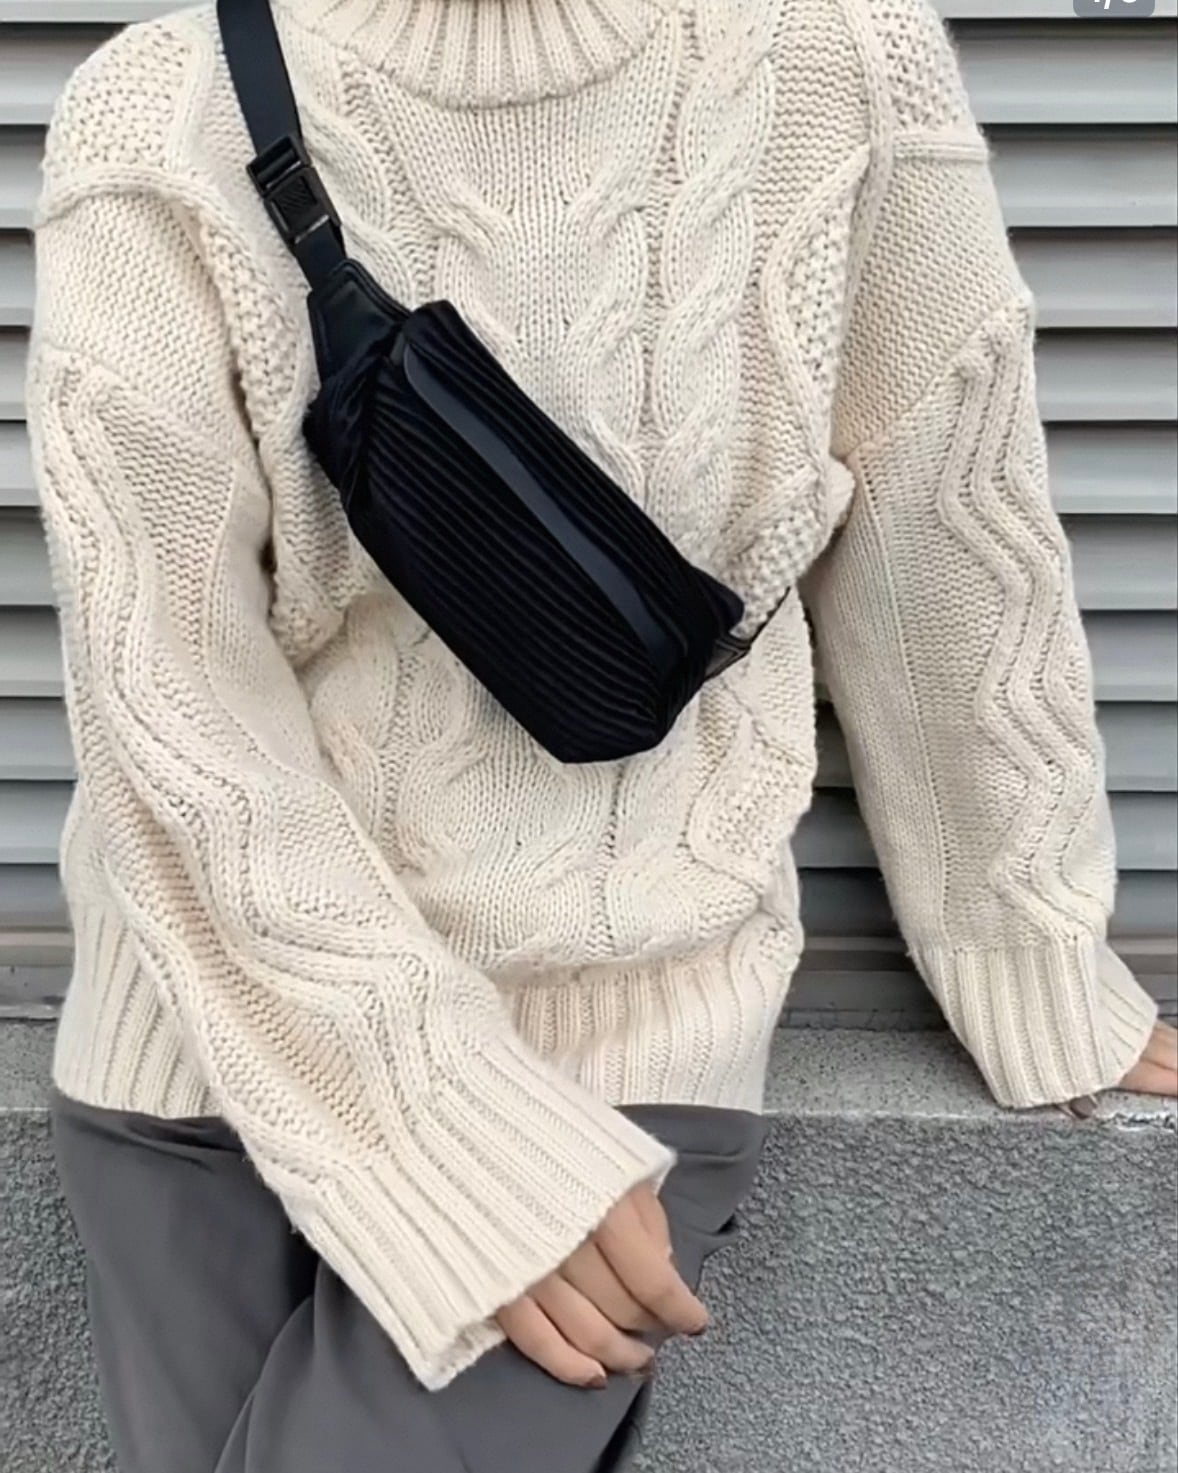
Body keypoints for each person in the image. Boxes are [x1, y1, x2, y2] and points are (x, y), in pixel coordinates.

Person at [29, 0, 1178, 1468]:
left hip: (612, 1051)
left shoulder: (837, 67)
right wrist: (437, 1124)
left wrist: (1033, 955)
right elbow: (169, 698)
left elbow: (945, 539)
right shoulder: (159, 110)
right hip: (199, 1074)